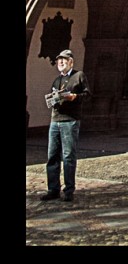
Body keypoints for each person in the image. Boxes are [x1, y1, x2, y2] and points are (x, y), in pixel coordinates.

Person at [41, 49, 90, 202]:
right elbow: (52, 99)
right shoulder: (57, 80)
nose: (61, 62)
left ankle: (69, 190)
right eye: (59, 60)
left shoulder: (79, 76)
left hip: (70, 120)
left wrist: (74, 96)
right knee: (52, 156)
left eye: (64, 60)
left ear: (71, 62)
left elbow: (87, 95)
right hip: (55, 120)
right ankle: (53, 189)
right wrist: (52, 99)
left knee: (68, 156)